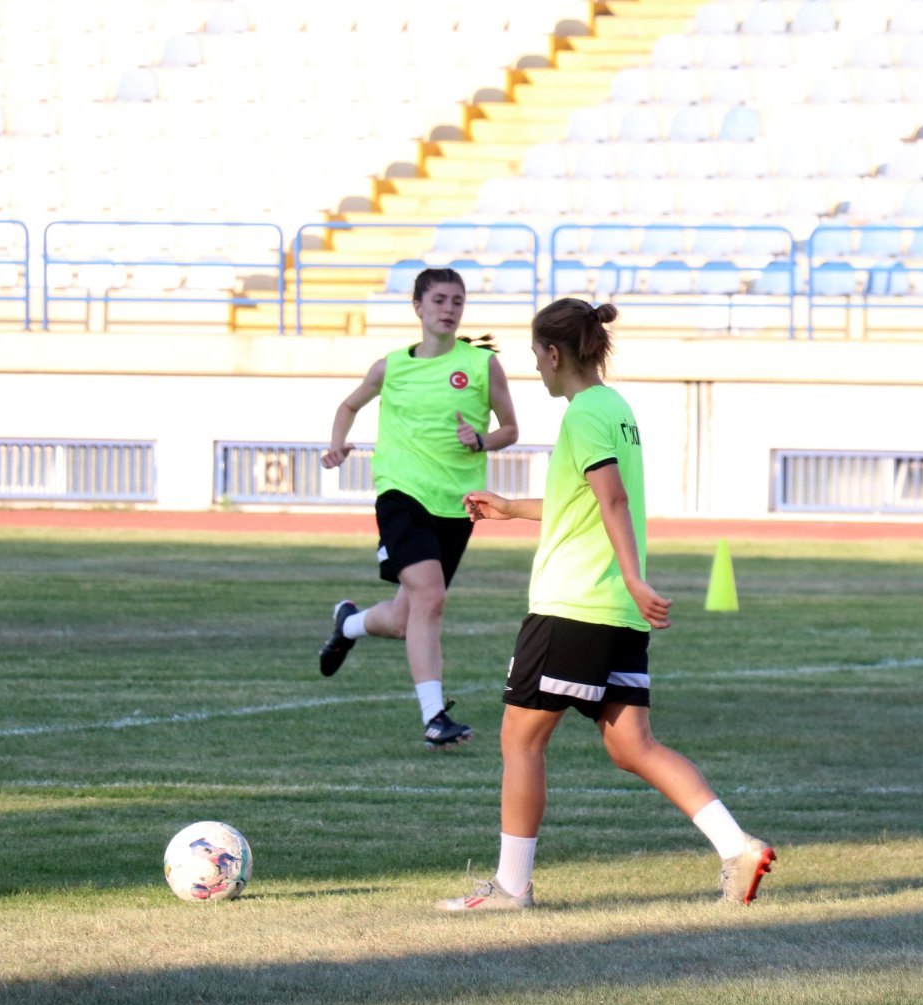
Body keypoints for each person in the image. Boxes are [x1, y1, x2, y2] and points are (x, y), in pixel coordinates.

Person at [436, 299, 774, 911]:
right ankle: (737, 847)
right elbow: (588, 501)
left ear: (554, 353)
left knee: (521, 739)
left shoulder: (584, 414)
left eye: (536, 355)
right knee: (631, 746)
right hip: (612, 610)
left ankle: (512, 887)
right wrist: (512, 508)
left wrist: (635, 576)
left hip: (575, 604)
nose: (535, 368)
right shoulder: (614, 407)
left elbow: (613, 501)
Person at [317, 267, 519, 749]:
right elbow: (349, 406)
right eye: (440, 301)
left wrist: (481, 441)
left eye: (457, 302)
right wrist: (338, 445)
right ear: (418, 307)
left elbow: (510, 430)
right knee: (431, 597)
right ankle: (434, 718)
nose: (449, 309)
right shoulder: (391, 366)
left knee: (409, 618)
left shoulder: (480, 365)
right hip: (400, 495)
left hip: (456, 505)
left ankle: (348, 623)